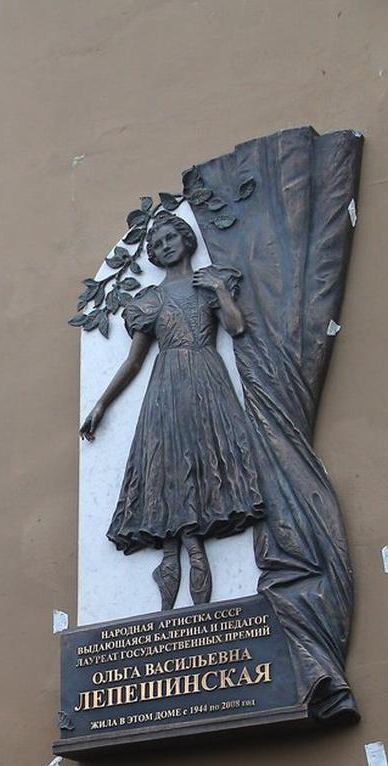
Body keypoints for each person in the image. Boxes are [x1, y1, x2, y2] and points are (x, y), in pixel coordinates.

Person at [80, 213, 265, 609]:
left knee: (202, 467)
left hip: (208, 385)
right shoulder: (150, 300)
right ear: (154, 256)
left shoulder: (210, 282)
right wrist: (100, 404)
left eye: (170, 237)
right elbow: (133, 363)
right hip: (166, 390)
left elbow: (236, 328)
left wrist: (220, 290)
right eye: (157, 243)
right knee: (165, 467)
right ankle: (178, 566)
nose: (165, 245)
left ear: (185, 239)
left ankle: (188, 558)